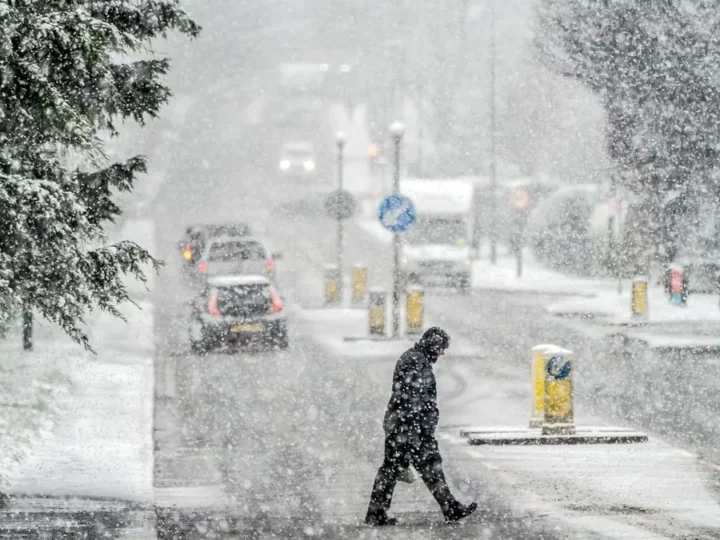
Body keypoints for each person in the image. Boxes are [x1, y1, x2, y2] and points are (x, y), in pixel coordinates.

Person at [365, 327, 477, 526]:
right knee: (415, 468)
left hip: (405, 427)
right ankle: (449, 509)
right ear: (433, 346)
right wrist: (419, 430)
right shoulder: (415, 361)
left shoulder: (417, 359)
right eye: (442, 348)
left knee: (401, 469)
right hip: (409, 429)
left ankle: (377, 513)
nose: (443, 352)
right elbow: (413, 399)